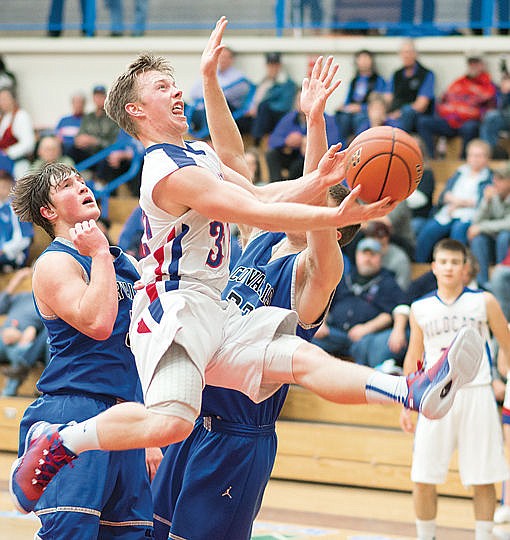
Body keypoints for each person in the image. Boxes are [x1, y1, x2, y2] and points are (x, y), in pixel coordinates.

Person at [10, 17, 484, 516]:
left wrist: (317, 181)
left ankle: (409, 390)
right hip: (173, 305)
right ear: (136, 110)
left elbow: (258, 192)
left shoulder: (197, 153)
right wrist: (334, 213)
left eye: (175, 83)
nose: (177, 92)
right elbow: (256, 211)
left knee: (298, 357)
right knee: (171, 423)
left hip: (214, 319)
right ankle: (61, 440)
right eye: (163, 87)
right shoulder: (166, 170)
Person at [152, 53, 358, 540]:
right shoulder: (260, 237)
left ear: (331, 224)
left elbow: (316, 193)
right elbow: (231, 162)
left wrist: (315, 123)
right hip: (191, 418)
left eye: (315, 200)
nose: (300, 194)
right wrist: (209, 79)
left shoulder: (315, 275)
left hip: (238, 435)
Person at [9, 162, 157, 537]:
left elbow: (144, 346)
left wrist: (149, 429)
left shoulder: (126, 263)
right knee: (72, 531)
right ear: (48, 211)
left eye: (80, 180)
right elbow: (97, 324)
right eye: (66, 186)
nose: (81, 186)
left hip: (126, 413)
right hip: (75, 407)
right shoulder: (55, 262)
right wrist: (101, 254)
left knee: (130, 533)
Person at [400, 238, 510, 540]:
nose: (449, 267)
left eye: (455, 262)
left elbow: (506, 343)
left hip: (478, 392)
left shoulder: (484, 301)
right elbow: (414, 357)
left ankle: (484, 536)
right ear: (434, 267)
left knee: (483, 475)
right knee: (423, 475)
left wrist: (503, 377)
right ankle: (426, 536)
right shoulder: (420, 308)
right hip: (435, 397)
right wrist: (407, 403)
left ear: (464, 268)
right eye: (443, 262)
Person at [312, 237, 408, 367]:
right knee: (307, 336)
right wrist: (320, 322)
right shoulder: (344, 276)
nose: (367, 259)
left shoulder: (388, 282)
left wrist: (366, 328)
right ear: (357, 255)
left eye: (372, 255)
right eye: (364, 254)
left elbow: (390, 313)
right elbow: (325, 300)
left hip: (365, 338)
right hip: (335, 333)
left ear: (380, 258)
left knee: (368, 348)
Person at [415, 139, 493, 263]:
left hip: (470, 216)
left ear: (487, 158)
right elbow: (444, 195)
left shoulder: (490, 177)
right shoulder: (460, 172)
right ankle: (420, 264)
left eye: (479, 156)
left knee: (458, 230)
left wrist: (457, 202)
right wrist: (458, 201)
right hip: (448, 212)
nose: (475, 159)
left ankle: (458, 264)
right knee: (429, 230)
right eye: (472, 155)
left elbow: (481, 202)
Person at [417, 53, 497, 159]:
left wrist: (470, 113)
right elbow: (442, 100)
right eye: (471, 63)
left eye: (476, 63)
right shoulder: (458, 82)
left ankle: (464, 160)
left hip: (469, 123)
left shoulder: (488, 85)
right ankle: (430, 158)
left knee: (470, 127)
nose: (473, 66)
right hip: (450, 121)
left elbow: (490, 107)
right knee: (423, 122)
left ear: (482, 65)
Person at [265, 89, 338, 181]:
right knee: (272, 154)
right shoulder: (289, 118)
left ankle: (293, 187)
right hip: (294, 155)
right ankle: (275, 184)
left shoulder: (327, 120)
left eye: (304, 99)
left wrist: (310, 143)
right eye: (298, 99)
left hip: (315, 159)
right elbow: (273, 141)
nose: (301, 103)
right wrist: (286, 141)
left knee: (299, 165)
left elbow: (334, 143)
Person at [0, 267, 48, 397]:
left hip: (21, 342)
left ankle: (8, 392)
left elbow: (47, 330)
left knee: (23, 350)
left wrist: (24, 334)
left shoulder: (47, 302)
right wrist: (16, 280)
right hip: (2, 336)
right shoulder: (22, 296)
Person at [187, 46, 253, 136]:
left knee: (214, 104)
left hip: (226, 112)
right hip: (202, 110)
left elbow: (221, 95)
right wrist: (208, 93)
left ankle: (209, 138)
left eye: (225, 57)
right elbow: (193, 93)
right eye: (220, 57)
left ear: (231, 59)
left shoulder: (238, 77)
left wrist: (207, 93)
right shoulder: (211, 73)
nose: (222, 60)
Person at [467, 164, 510, 286]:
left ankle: (502, 280)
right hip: (493, 239)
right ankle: (483, 284)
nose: (495, 183)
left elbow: (508, 224)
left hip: (505, 241)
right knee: (478, 239)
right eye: (495, 178)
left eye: (500, 179)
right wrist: (486, 202)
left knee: (504, 236)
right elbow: (476, 222)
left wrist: (481, 227)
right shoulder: (492, 195)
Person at [334, 50, 386, 144]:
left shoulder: (378, 80)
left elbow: (378, 102)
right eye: (361, 59)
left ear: (371, 61)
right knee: (341, 117)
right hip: (352, 111)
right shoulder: (354, 80)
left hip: (366, 111)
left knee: (359, 119)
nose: (363, 62)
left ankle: (359, 144)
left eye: (366, 58)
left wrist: (360, 107)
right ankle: (341, 146)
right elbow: (348, 100)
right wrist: (343, 107)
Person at [384, 39, 435, 133]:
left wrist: (399, 113)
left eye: (409, 52)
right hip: (394, 113)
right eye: (404, 53)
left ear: (416, 54)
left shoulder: (426, 74)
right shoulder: (396, 74)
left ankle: (399, 139)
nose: (406, 55)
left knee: (407, 112)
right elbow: (387, 99)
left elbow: (421, 105)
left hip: (413, 115)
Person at [248, 52, 297, 145]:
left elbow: (285, 106)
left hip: (276, 116)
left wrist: (262, 107)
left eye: (275, 65)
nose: (272, 68)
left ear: (279, 66)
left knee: (263, 107)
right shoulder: (264, 81)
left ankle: (256, 142)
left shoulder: (287, 84)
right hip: (258, 115)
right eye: (270, 65)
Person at [67, 85, 119, 172]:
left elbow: (114, 143)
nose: (99, 99)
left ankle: (98, 179)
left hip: (103, 154)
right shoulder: (88, 117)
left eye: (101, 96)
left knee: (106, 160)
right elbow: (80, 135)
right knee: (71, 150)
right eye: (96, 96)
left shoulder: (112, 118)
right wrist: (79, 140)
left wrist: (95, 141)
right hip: (87, 152)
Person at [0, 169, 33, 272]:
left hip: (14, 256)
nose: (1, 191)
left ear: (12, 187)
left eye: (4, 187)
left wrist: (4, 250)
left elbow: (25, 239)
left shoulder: (17, 209)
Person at [0, 87, 36, 179]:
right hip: (3, 163)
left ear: (13, 99)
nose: (2, 102)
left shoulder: (21, 116)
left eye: (5, 99)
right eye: (1, 99)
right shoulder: (3, 117)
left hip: (18, 163)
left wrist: (9, 152)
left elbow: (29, 143)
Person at [54, 92, 86, 156]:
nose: (78, 105)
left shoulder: (87, 120)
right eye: (76, 102)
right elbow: (56, 134)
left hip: (79, 150)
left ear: (84, 104)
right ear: (72, 104)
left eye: (80, 102)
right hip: (63, 149)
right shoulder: (64, 120)